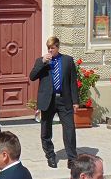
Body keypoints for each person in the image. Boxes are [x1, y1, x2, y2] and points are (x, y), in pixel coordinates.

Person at [29, 36, 79, 169]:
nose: (50, 50)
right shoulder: (41, 61)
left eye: (53, 48)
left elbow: (72, 81)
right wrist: (42, 63)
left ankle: (72, 158)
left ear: (58, 47)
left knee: (69, 129)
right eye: (48, 48)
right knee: (46, 130)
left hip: (64, 99)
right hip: (48, 100)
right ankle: (50, 155)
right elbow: (32, 76)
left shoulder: (67, 60)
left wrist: (75, 101)